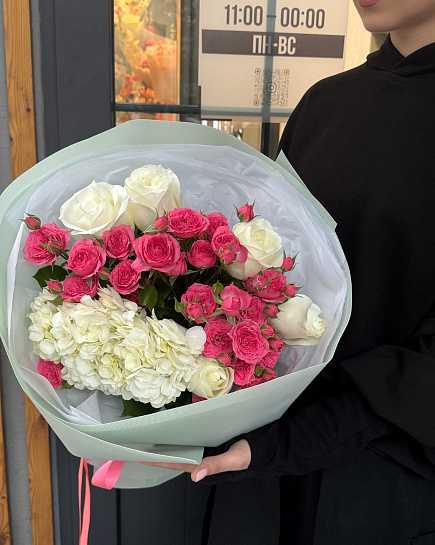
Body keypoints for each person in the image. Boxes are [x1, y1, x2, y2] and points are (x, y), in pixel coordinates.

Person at [143, 1, 435, 543]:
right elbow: (261, 271)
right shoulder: (328, 103)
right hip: (259, 464)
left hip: (387, 478)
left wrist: (290, 442)